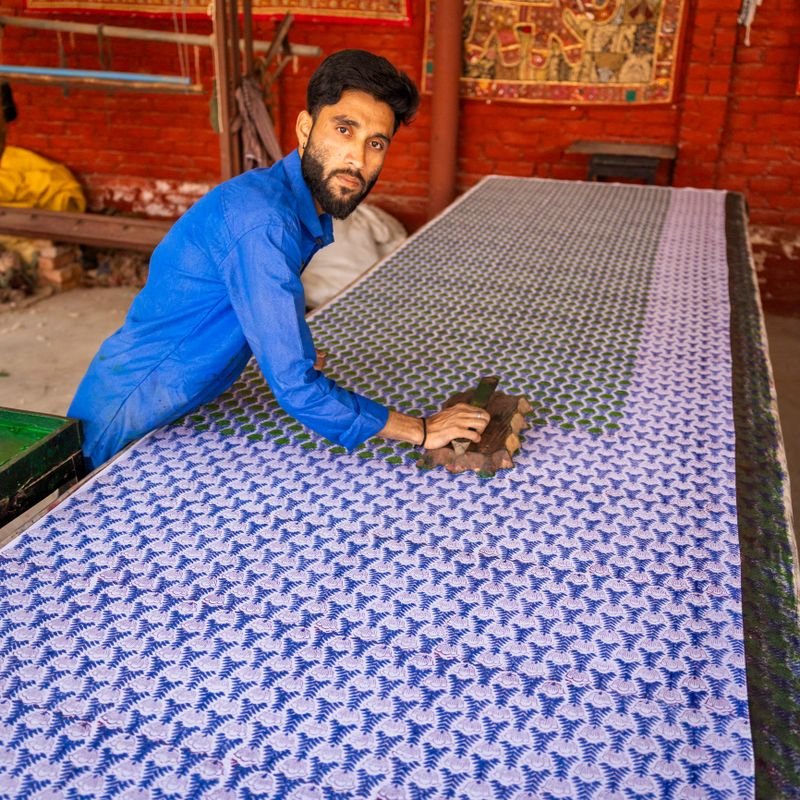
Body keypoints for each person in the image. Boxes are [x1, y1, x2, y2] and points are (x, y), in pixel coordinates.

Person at [69, 50, 490, 469]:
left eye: (375, 143)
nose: (358, 160)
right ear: (306, 128)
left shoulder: (286, 203)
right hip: (129, 421)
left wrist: (286, 347)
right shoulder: (265, 223)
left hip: (180, 407)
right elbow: (296, 387)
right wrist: (422, 429)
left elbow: (254, 314)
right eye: (344, 129)